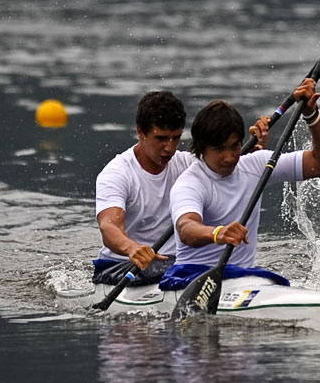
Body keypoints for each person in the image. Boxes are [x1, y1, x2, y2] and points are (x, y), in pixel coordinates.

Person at [160, 78, 320, 288]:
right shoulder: (189, 183)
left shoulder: (257, 164)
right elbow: (186, 228)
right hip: (192, 277)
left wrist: (311, 115)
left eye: (234, 146)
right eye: (219, 149)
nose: (229, 157)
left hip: (243, 278)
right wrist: (217, 233)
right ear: (201, 148)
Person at [93, 91, 269, 286]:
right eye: (161, 138)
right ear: (140, 132)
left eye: (175, 138)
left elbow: (223, 161)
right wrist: (132, 248)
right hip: (120, 266)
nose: (169, 148)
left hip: (170, 265)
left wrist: (252, 145)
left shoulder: (187, 164)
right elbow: (109, 226)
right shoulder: (117, 174)